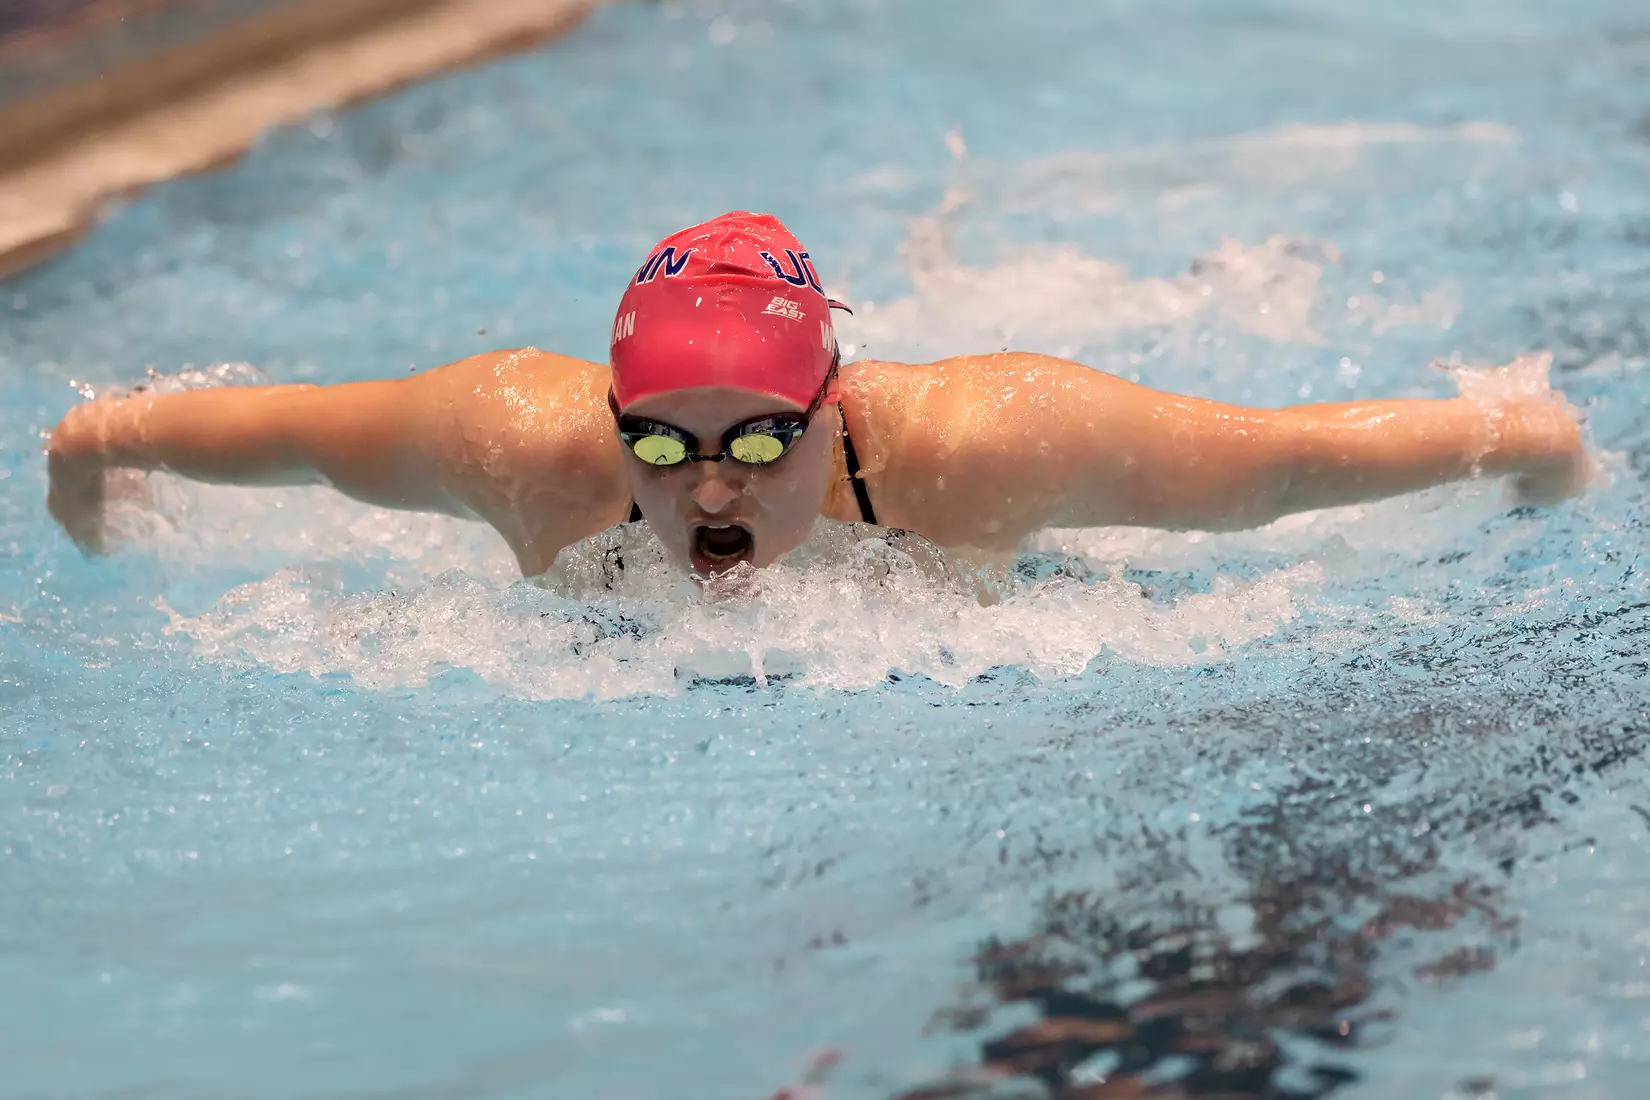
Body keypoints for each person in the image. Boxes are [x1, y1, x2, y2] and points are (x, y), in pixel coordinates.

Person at [46, 211, 1589, 581]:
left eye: (757, 447)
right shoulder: (507, 445)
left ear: (835, 414)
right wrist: (86, 501)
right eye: (658, 447)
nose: (708, 493)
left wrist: (1529, 451)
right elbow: (163, 431)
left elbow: (1280, 469)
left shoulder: (992, 448)